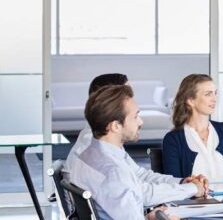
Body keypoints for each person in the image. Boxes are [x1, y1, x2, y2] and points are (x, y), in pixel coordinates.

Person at [63, 73, 206, 206]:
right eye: (127, 94)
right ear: (110, 100)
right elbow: (140, 193)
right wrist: (190, 189)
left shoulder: (101, 140)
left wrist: (181, 182)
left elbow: (138, 175)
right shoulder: (96, 150)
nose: (132, 100)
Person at [68, 85, 183, 220]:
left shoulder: (86, 156)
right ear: (115, 126)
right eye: (136, 116)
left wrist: (148, 219)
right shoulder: (114, 172)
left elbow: (113, 215)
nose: (141, 122)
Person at [163, 74, 223, 183]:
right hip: (195, 200)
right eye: (208, 94)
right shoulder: (173, 140)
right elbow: (173, 184)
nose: (214, 99)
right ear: (190, 100)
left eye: (215, 93)